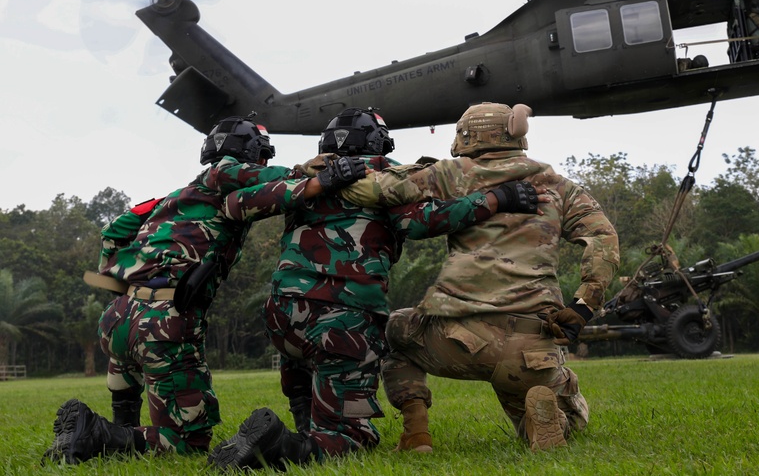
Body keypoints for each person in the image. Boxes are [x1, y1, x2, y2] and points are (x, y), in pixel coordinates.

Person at [206, 107, 546, 470]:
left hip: (282, 316)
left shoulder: (310, 173)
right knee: (352, 439)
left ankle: (305, 432)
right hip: (341, 317)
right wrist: (496, 199)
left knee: (310, 373)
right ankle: (278, 444)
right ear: (380, 143)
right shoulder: (386, 174)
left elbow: (234, 204)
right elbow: (420, 222)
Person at [43, 114, 367, 464]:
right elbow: (273, 184)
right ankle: (97, 434)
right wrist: (323, 177)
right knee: (187, 441)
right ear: (254, 154)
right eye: (262, 158)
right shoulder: (226, 173)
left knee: (137, 390)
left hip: (119, 316)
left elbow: (112, 234)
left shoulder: (172, 198)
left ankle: (114, 435)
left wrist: (129, 293)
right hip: (163, 320)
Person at [340, 103, 620, 452]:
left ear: (466, 136)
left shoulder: (451, 173)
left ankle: (416, 432)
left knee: (396, 332)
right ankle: (549, 413)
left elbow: (372, 190)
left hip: (460, 340)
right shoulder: (556, 184)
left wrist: (328, 173)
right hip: (531, 349)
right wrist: (583, 307)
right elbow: (604, 238)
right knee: (572, 422)